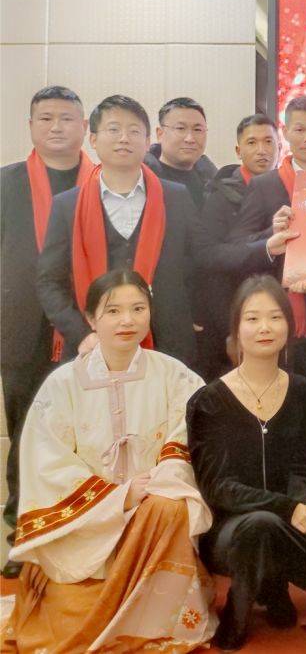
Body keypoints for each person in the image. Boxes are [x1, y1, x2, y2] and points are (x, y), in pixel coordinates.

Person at [4, 270, 214, 652]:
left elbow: (190, 437)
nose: (127, 320)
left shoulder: (175, 376)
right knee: (66, 627)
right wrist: (116, 498)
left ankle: (152, 620)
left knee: (169, 507)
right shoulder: (62, 384)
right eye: (113, 311)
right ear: (90, 318)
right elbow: (46, 462)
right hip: (86, 529)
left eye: (138, 308)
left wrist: (159, 482)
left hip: (153, 509)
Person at [188, 275, 306, 650]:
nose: (265, 328)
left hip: (287, 523)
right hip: (230, 530)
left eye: (275, 317)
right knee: (258, 524)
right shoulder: (210, 400)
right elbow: (217, 487)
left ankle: (273, 585)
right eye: (252, 318)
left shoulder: (304, 391)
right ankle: (237, 612)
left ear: (289, 324)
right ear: (237, 328)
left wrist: (301, 505)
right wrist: (286, 508)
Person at [227, 95, 306, 480]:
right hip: (285, 316)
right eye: (300, 129)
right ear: (287, 133)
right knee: (289, 403)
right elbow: (237, 247)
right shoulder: (265, 186)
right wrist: (271, 233)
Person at [0, 86, 94, 577]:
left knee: (84, 435)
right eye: (46, 118)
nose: (56, 127)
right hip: (22, 332)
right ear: (31, 126)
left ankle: (80, 531)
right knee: (25, 434)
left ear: (84, 127)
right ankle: (22, 533)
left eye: (67, 118)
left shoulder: (100, 182)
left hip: (88, 330)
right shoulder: (6, 183)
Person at [36, 94, 199, 366]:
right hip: (92, 345)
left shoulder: (177, 197)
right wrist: (81, 334)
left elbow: (199, 262)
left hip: (168, 345)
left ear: (147, 141)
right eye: (113, 129)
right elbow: (49, 281)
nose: (124, 138)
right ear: (93, 139)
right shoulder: (67, 205)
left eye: (134, 131)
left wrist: (195, 314)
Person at [192, 113, 280, 380]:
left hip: (278, 312)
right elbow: (209, 259)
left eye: (268, 142)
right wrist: (230, 330)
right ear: (238, 151)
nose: (262, 150)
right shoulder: (220, 195)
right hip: (232, 311)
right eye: (252, 143)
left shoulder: (287, 189)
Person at [145, 97, 217, 209]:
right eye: (180, 128)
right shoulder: (142, 179)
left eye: (197, 130)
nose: (190, 139)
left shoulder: (213, 180)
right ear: (160, 134)